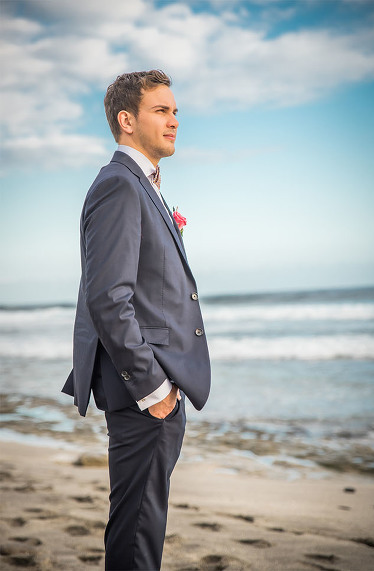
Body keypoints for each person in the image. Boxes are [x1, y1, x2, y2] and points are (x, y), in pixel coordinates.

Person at [63, 70, 211, 570]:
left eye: (175, 111)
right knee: (137, 532)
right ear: (127, 121)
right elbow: (108, 296)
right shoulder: (120, 186)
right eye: (161, 110)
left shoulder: (139, 185)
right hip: (143, 392)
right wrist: (154, 390)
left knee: (142, 524)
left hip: (154, 387)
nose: (175, 120)